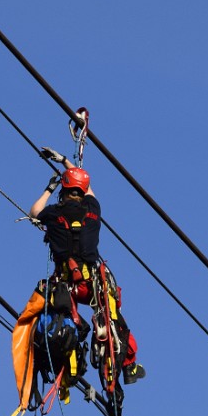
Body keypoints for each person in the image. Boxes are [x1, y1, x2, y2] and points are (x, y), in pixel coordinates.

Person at [30, 148, 145, 388]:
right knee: (115, 320)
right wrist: (65, 161)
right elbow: (87, 183)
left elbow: (34, 212)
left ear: (64, 190)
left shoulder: (53, 213)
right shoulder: (93, 210)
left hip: (66, 287)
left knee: (60, 321)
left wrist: (50, 187)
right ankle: (128, 365)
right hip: (93, 284)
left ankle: (68, 365)